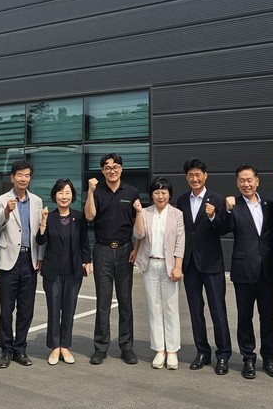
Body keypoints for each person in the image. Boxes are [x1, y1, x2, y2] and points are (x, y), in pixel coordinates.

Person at [224, 165, 273, 379]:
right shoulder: (234, 205)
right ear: (237, 183)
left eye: (249, 180)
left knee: (267, 318)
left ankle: (269, 359)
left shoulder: (269, 205)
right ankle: (248, 358)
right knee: (244, 317)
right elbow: (223, 228)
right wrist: (227, 210)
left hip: (266, 271)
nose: (246, 184)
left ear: (257, 181)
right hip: (243, 270)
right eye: (242, 180)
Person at [176, 158, 232, 375]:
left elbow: (224, 229)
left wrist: (213, 216)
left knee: (218, 310)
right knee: (195, 310)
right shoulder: (182, 200)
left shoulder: (216, 200)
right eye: (190, 175)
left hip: (212, 264)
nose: (194, 178)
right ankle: (202, 352)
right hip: (190, 264)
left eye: (198, 174)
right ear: (186, 177)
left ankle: (223, 354)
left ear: (205, 176)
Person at [84, 153, 141, 365]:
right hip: (102, 250)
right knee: (103, 301)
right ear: (102, 171)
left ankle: (127, 347)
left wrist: (136, 249)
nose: (112, 170)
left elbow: (139, 225)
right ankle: (100, 347)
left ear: (121, 169)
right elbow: (89, 216)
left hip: (126, 250)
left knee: (125, 301)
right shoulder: (97, 191)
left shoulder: (131, 192)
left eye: (115, 167)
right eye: (107, 168)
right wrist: (90, 191)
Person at [0, 159, 45, 368]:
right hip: (9, 260)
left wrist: (40, 256)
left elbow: (39, 230)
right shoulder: (1, 200)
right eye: (20, 175)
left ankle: (20, 349)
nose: (24, 179)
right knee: (6, 308)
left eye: (27, 175)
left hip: (29, 258)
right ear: (12, 177)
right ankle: (6, 349)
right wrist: (6, 211)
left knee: (26, 308)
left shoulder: (37, 201)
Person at [35, 178, 92, 365]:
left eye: (67, 193)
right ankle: (54, 347)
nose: (64, 196)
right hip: (52, 272)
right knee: (53, 309)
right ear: (55, 195)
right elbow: (40, 241)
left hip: (73, 272)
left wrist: (87, 261)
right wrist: (43, 222)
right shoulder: (49, 217)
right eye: (61, 193)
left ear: (72, 196)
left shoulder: (79, 217)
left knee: (69, 309)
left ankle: (65, 346)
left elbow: (84, 241)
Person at [133, 177, 185, 370]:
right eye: (156, 192)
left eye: (164, 192)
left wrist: (178, 266)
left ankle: (172, 350)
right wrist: (139, 213)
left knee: (170, 308)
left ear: (169, 194)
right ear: (151, 195)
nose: (160, 196)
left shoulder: (177, 214)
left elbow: (180, 241)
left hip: (169, 266)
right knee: (154, 308)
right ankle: (159, 349)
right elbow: (139, 235)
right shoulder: (146, 212)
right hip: (150, 265)